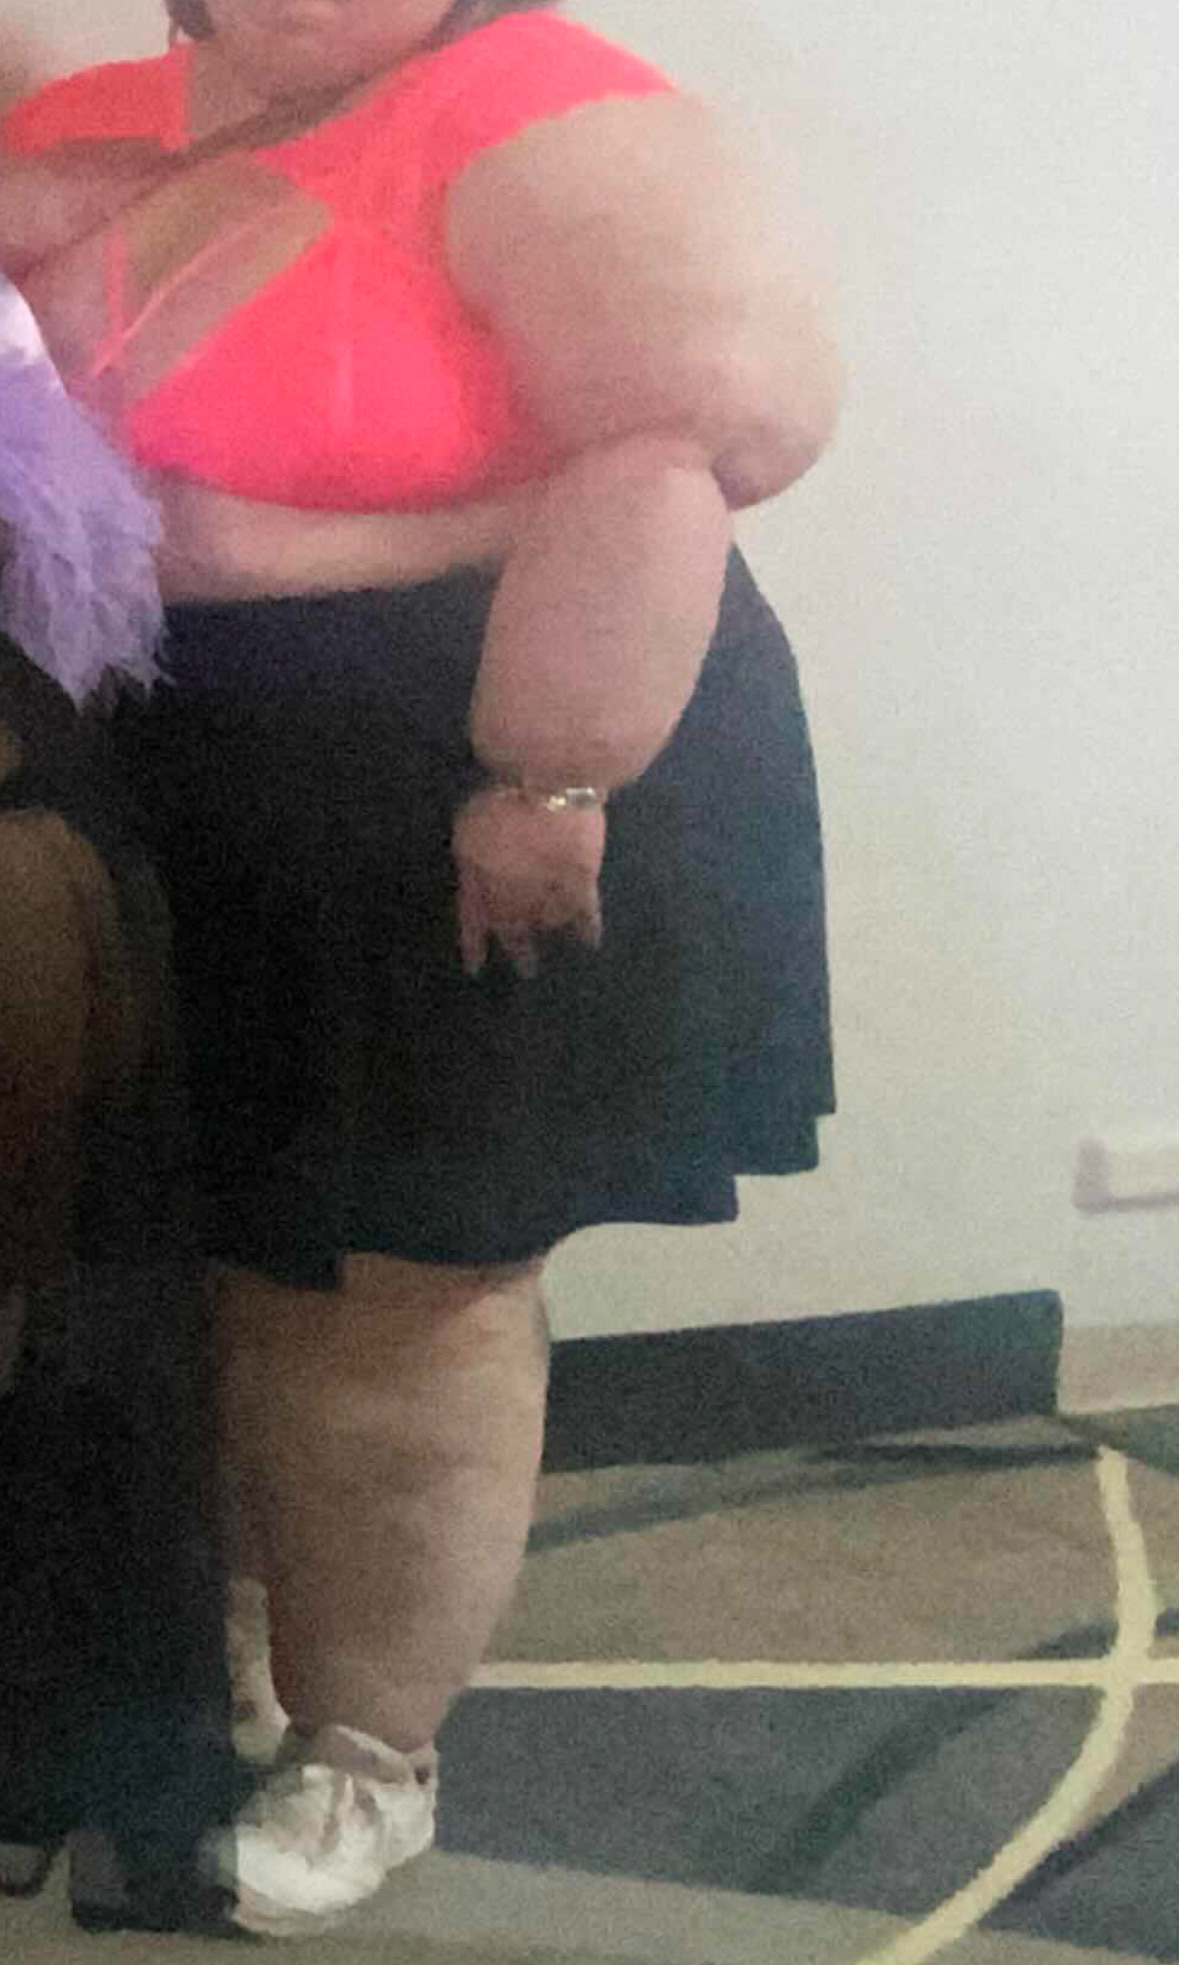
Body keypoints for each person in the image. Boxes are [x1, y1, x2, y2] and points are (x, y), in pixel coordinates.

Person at [3, 0, 840, 1938]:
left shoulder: (544, 111)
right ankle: (192, 1657)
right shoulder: (101, 115)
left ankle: (366, 1748)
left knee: (405, 1289)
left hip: (480, 777)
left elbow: (693, 441)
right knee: (195, 1260)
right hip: (164, 780)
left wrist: (546, 773)